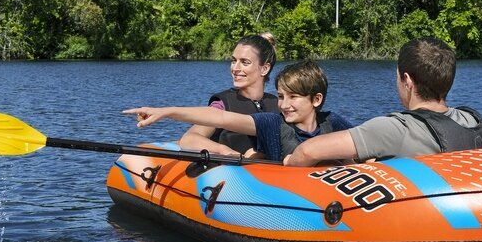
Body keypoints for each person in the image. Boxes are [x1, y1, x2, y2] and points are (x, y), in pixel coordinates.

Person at [283, 37, 482, 166]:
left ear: (407, 80)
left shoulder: (397, 129)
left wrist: (289, 162)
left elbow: (308, 151)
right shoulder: (475, 121)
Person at [125, 60, 353, 162]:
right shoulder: (272, 124)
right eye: (281, 96)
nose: (283, 104)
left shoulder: (333, 122)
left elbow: (366, 146)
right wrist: (167, 112)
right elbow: (221, 117)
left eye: (293, 97)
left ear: (316, 99)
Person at [179, 33, 279, 155]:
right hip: (233, 168)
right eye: (233, 61)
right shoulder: (222, 103)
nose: (235, 68)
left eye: (244, 62)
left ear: (264, 69)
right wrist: (224, 150)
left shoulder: (279, 104)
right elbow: (189, 138)